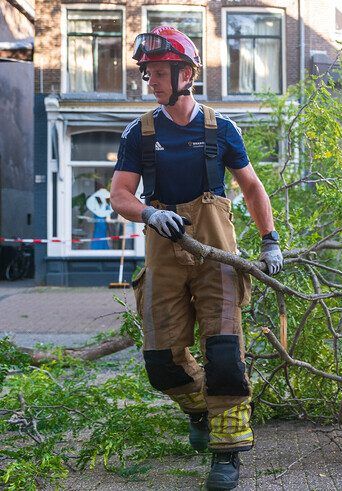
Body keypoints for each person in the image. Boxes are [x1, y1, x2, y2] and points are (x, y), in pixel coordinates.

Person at [109, 26, 282, 491]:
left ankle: (227, 456)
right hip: (164, 252)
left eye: (158, 73)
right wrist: (148, 212)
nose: (150, 82)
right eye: (147, 74)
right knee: (161, 361)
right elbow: (120, 195)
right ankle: (202, 408)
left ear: (186, 74)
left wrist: (270, 241)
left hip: (216, 255)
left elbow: (251, 187)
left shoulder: (221, 129)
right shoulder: (139, 133)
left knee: (224, 353)